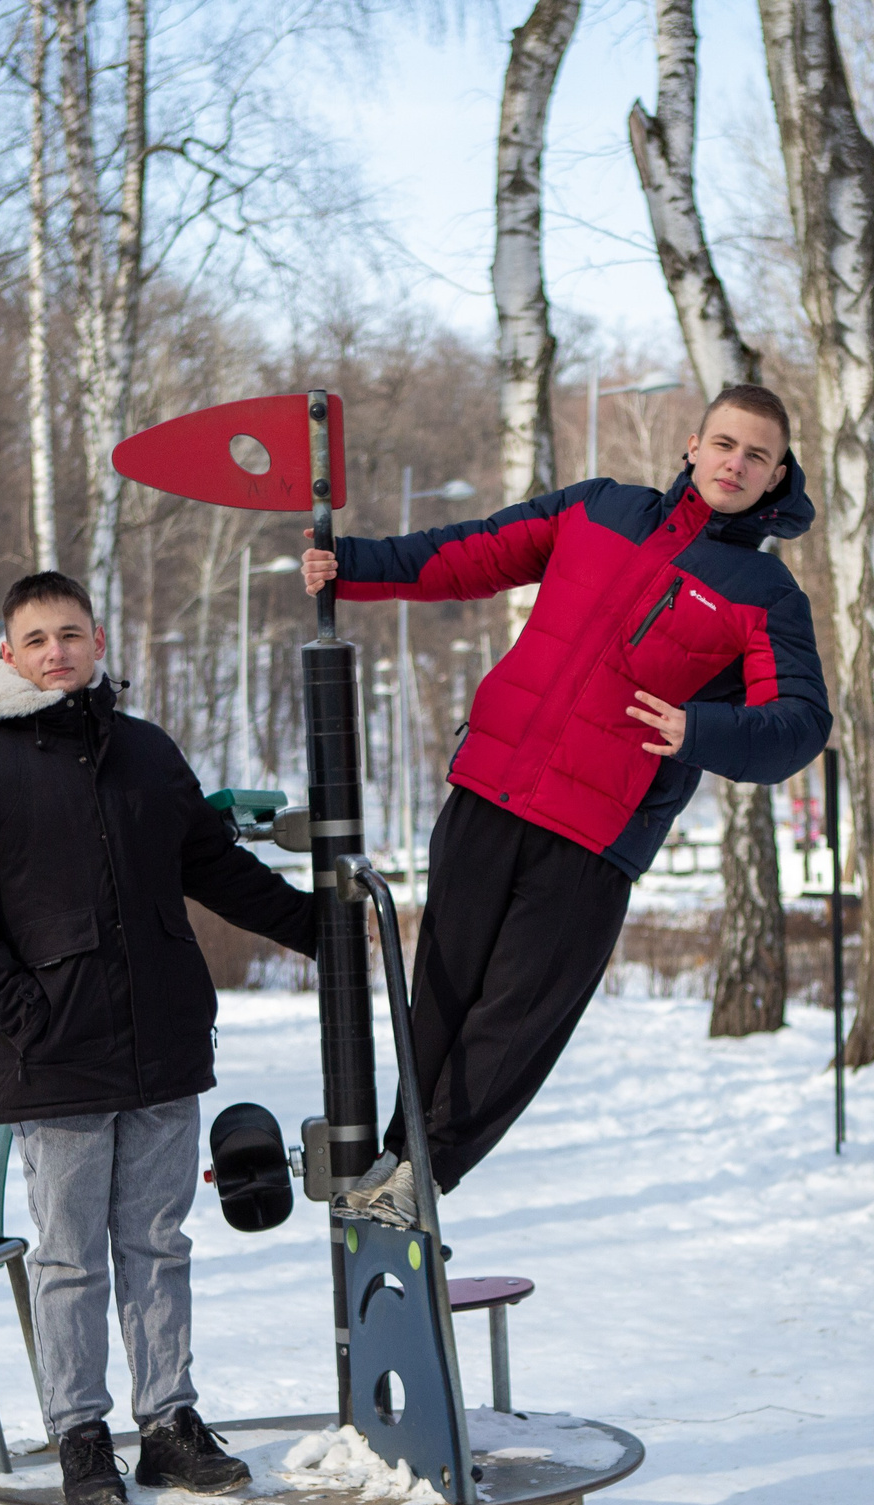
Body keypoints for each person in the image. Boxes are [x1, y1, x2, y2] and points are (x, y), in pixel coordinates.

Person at [301, 383, 829, 1226]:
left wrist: (698, 729)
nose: (736, 463)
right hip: (491, 788)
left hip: (593, 838)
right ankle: (399, 1162)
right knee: (441, 993)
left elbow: (799, 723)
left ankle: (424, 1175)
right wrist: (353, 564)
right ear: (694, 446)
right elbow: (473, 553)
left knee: (514, 1018)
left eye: (757, 456)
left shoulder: (766, 594)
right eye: (726, 443)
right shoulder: (600, 509)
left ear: (776, 476)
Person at [0, 570, 316, 1505]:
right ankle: (81, 1435)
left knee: (157, 1242)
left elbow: (214, 866)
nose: (56, 651)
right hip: (54, 1056)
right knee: (70, 1256)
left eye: (71, 634)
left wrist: (317, 927)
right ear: (9, 653)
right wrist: (23, 1012)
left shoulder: (143, 751)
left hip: (162, 1039)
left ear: (98, 641)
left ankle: (168, 1423)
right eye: (37, 638)